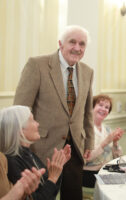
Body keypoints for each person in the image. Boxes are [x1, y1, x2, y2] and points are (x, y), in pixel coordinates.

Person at [13, 25, 94, 200]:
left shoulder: (87, 71)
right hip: (41, 148)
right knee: (42, 196)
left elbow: (88, 112)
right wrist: (22, 147)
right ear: (60, 43)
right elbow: (20, 109)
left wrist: (89, 142)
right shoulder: (37, 65)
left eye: (82, 44)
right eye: (72, 42)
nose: (77, 48)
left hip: (75, 150)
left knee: (73, 195)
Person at [0, 105, 71, 200]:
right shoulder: (11, 161)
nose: (37, 124)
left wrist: (57, 169)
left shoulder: (28, 153)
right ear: (20, 129)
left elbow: (51, 193)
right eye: (32, 120)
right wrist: (53, 177)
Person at [83, 94, 124, 188]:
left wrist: (115, 142)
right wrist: (105, 142)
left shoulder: (107, 129)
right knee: (118, 186)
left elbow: (117, 158)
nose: (103, 109)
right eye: (100, 105)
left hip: (105, 170)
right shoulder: (85, 129)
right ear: (92, 107)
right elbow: (86, 158)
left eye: (107, 107)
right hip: (90, 174)